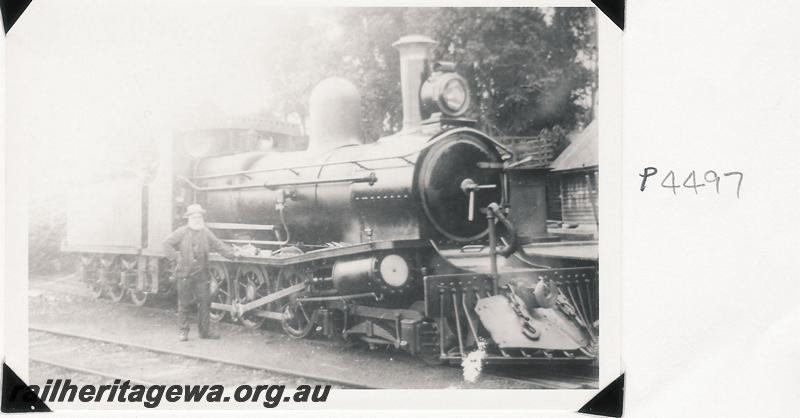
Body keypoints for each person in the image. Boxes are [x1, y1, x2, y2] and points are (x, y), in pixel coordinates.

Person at [163, 204, 238, 341]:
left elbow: (217, 244)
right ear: (189, 218)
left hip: (202, 274)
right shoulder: (182, 231)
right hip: (185, 274)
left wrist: (233, 254)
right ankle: (183, 332)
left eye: (199, 217)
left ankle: (204, 332)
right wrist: (177, 257)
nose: (197, 219)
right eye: (194, 217)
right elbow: (166, 244)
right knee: (184, 304)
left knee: (205, 303)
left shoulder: (205, 232)